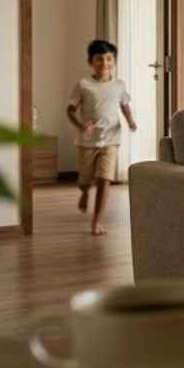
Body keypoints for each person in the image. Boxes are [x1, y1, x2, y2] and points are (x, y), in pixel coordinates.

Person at [66, 39, 137, 236]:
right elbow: (70, 110)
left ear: (114, 61)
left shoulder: (119, 85)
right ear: (91, 61)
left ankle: (96, 221)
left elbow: (124, 105)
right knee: (84, 179)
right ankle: (84, 191)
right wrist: (81, 125)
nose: (105, 63)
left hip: (111, 139)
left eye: (109, 58)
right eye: (99, 59)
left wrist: (130, 121)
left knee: (105, 179)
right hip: (87, 141)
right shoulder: (83, 85)